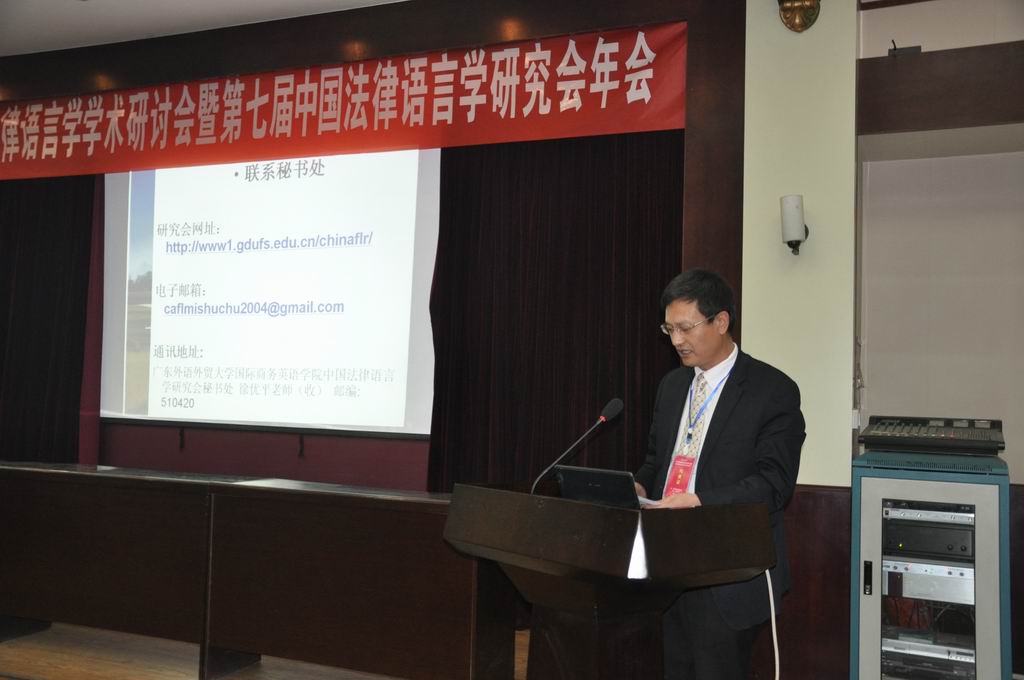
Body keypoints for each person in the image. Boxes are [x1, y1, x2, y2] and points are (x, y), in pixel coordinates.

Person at [634, 269, 805, 680]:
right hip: (668, 565)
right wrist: (637, 486)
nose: (676, 340)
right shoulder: (672, 386)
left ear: (721, 321)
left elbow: (774, 484)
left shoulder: (772, 389)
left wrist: (698, 501)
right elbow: (658, 461)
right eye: (669, 329)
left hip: (728, 571)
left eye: (685, 328)